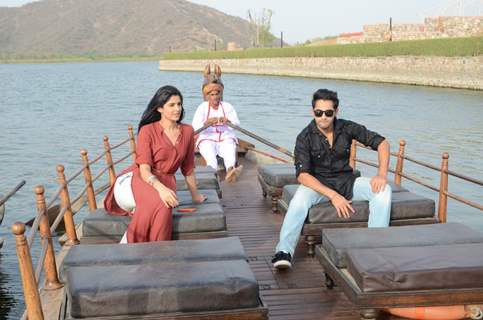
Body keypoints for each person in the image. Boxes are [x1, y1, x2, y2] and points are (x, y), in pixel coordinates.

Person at [272, 89, 391, 269]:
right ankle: (284, 251)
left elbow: (382, 143)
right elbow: (303, 175)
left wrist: (381, 174)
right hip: (317, 185)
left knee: (384, 191)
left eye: (328, 113)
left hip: (347, 181)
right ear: (313, 112)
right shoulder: (304, 137)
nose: (323, 117)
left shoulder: (347, 127)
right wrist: (333, 196)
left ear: (336, 112)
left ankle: (374, 247)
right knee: (298, 201)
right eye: (319, 113)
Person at [104, 85, 206, 243]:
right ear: (159, 108)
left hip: (167, 180)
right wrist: (161, 189)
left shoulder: (187, 131)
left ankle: (157, 252)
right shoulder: (147, 131)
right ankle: (131, 245)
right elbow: (144, 169)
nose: (177, 108)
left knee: (164, 204)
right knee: (161, 202)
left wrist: (196, 195)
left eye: (179, 104)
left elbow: (188, 168)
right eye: (171, 105)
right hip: (141, 178)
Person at [192, 64, 242, 182]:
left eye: (217, 94)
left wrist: (228, 121)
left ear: (221, 94)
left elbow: (237, 125)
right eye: (212, 95)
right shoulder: (202, 107)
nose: (215, 97)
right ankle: (212, 174)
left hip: (225, 137)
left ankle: (231, 170)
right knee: (210, 156)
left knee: (229, 147)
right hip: (207, 138)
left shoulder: (227, 106)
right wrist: (206, 123)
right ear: (207, 96)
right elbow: (195, 128)